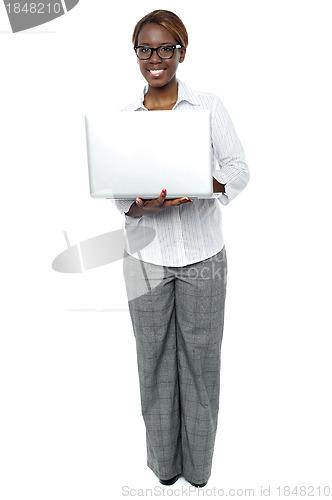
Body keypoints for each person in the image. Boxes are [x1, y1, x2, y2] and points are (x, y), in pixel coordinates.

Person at [112, 9, 249, 488]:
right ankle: (165, 469)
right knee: (153, 365)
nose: (156, 58)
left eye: (165, 49)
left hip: (203, 258)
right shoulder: (124, 119)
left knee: (200, 364)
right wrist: (139, 207)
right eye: (146, 49)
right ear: (137, 56)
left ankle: (199, 470)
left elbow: (237, 169)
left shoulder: (208, 106)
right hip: (145, 262)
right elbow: (119, 195)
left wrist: (202, 183)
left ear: (181, 53)